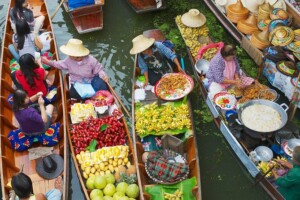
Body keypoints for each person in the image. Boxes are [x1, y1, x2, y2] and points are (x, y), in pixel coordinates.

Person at [42, 38, 109, 100]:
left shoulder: (91, 60)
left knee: (103, 85)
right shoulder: (68, 60)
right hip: (78, 83)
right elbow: (59, 64)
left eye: (77, 57)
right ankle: (91, 97)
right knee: (73, 94)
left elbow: (99, 70)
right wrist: (48, 62)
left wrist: (104, 76)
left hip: (91, 80)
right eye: (72, 56)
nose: (74, 58)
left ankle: (94, 97)